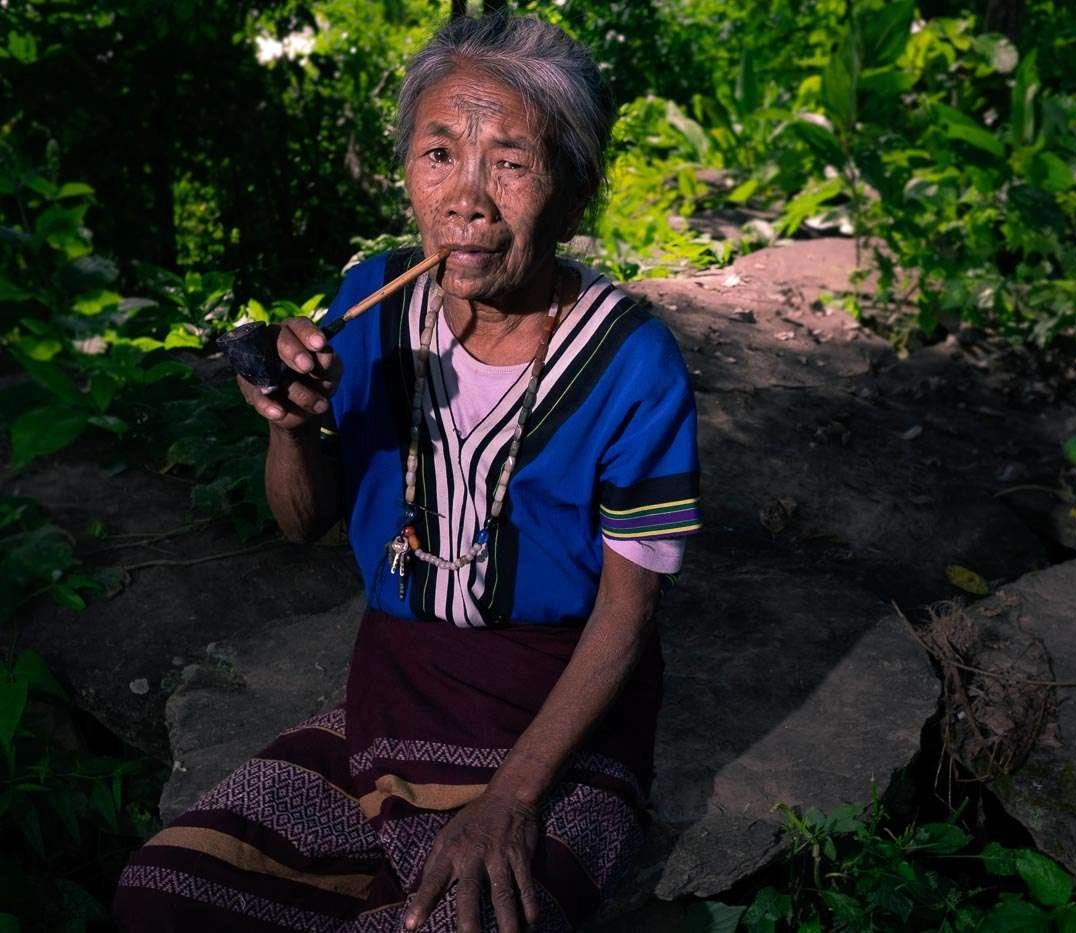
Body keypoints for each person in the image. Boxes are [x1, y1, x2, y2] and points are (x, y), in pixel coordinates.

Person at [113, 13, 700, 932]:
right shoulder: (368, 307)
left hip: (559, 731)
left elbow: (629, 614)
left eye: (509, 162)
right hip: (391, 699)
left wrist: (510, 799)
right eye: (439, 154)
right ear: (407, 175)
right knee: (164, 894)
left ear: (574, 195)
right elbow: (303, 525)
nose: (468, 198)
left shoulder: (634, 362)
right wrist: (289, 426)